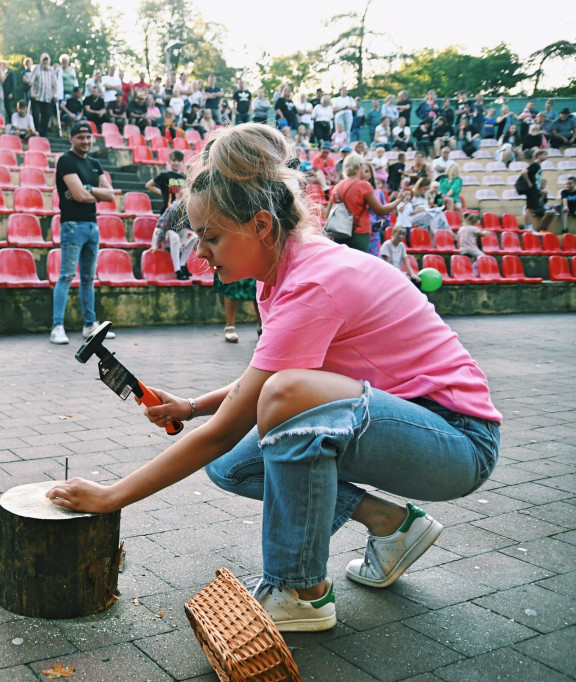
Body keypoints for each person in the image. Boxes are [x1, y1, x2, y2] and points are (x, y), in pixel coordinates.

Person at [45, 123, 501, 634]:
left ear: (260, 225)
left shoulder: (309, 283)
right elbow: (259, 387)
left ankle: (299, 591)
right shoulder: (282, 273)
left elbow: (244, 416)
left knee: (279, 408)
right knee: (236, 467)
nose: (200, 253)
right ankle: (393, 526)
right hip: (404, 424)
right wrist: (192, 406)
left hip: (458, 441)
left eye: (211, 236)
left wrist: (112, 497)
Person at [50, 121, 116, 345]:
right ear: (71, 139)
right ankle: (57, 326)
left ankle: (90, 325)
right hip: (72, 226)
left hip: (91, 226)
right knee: (66, 276)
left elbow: (111, 195)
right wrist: (94, 193)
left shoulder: (95, 163)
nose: (85, 141)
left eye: (88, 137)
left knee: (88, 278)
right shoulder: (66, 161)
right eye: (80, 137)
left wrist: (89, 190)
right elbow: (79, 197)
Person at [327, 152, 402, 251]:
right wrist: (398, 200)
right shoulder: (363, 185)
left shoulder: (337, 186)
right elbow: (381, 210)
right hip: (360, 233)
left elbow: (328, 213)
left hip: (340, 233)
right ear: (359, 167)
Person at [150, 198, 198, 280]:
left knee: (194, 236)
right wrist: (157, 244)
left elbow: (190, 227)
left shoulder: (190, 211)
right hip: (164, 232)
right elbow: (163, 227)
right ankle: (177, 270)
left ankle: (182, 265)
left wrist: (196, 243)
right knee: (174, 236)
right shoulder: (173, 209)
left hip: (178, 231)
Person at [518, 149, 555, 231]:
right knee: (530, 210)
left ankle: (529, 229)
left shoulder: (538, 165)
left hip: (534, 190)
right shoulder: (535, 164)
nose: (546, 157)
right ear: (539, 155)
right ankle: (529, 229)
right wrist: (529, 183)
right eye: (545, 155)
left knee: (531, 209)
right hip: (532, 190)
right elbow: (524, 172)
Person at [26, 53, 57, 137]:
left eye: (47, 60)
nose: (45, 62)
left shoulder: (51, 70)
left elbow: (55, 84)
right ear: (41, 60)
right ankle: (36, 131)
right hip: (37, 96)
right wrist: (32, 92)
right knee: (35, 115)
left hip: (47, 97)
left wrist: (54, 94)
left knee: (46, 115)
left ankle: (43, 134)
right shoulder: (36, 68)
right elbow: (31, 82)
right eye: (44, 60)